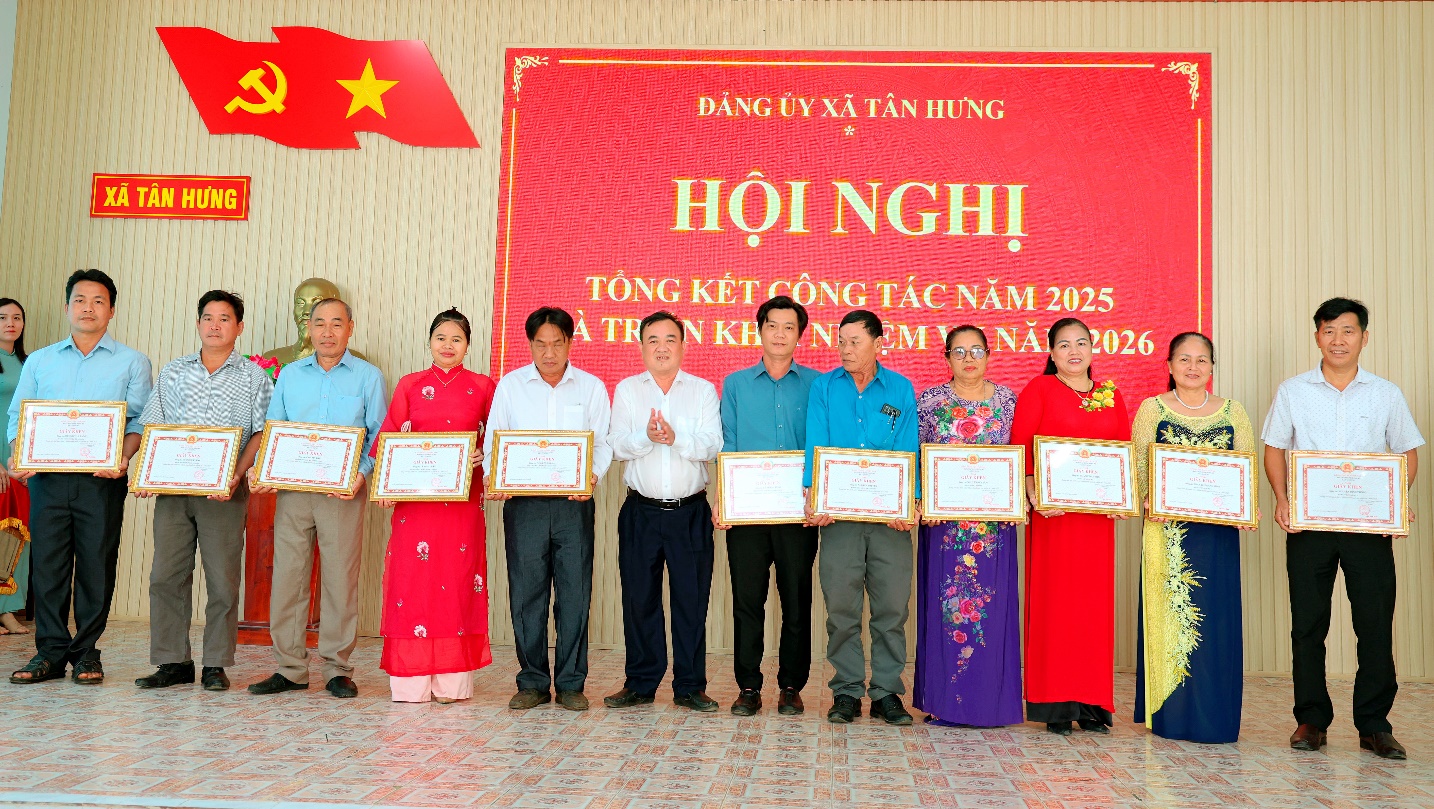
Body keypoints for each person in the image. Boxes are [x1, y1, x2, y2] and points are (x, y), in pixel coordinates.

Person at [1262, 297, 1421, 761]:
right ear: (1317, 336)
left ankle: (1374, 725)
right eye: (1328, 330)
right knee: (1308, 624)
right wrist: (1283, 500)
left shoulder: (1386, 394)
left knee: (1374, 624)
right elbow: (1274, 449)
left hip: (1368, 529)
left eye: (1348, 331)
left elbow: (1408, 452)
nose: (1338, 340)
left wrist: (1396, 502)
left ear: (1364, 338)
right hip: (1308, 525)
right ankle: (1311, 720)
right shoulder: (1293, 391)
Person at [7, 270, 153, 685]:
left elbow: (140, 421)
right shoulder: (40, 360)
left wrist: (123, 457)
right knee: (48, 566)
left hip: (101, 478)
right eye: (80, 300)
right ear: (67, 307)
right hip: (47, 478)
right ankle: (49, 653)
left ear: (112, 310)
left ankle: (87, 653)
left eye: (98, 301)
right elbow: (19, 416)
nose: (88, 308)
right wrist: (20, 454)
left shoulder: (133, 362)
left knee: (96, 565)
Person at [132, 291, 274, 692]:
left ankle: (215, 663)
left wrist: (237, 475)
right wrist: (146, 474)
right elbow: (154, 425)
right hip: (174, 492)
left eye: (224, 319)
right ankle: (172, 661)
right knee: (166, 576)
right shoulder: (174, 372)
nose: (215, 325)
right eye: (208, 318)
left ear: (239, 327)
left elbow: (262, 432)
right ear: (198, 324)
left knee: (223, 581)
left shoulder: (254, 377)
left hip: (224, 493)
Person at [247, 297, 386, 699]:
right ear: (308, 327)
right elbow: (274, 427)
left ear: (350, 328)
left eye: (336, 323)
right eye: (319, 323)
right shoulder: (291, 375)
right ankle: (289, 668)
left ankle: (337, 669)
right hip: (293, 492)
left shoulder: (368, 376)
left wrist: (360, 474)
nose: (327, 332)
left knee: (340, 579)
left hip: (342, 492)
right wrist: (263, 469)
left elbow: (379, 433)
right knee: (288, 577)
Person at [485, 307, 611, 712]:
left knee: (575, 593)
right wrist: (494, 477)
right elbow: (494, 441)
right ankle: (533, 682)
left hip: (574, 505)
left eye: (557, 343)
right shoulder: (511, 386)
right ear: (530, 345)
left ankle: (572, 683)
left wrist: (591, 477)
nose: (549, 353)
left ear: (570, 343)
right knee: (527, 594)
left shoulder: (591, 387)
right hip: (524, 506)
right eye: (540, 344)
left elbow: (603, 442)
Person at [1131, 332, 1256, 743]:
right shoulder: (1152, 409)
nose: (1193, 367)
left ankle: (1214, 717)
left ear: (1212, 366)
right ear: (1169, 365)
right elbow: (1139, 465)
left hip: (1217, 536)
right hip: (1167, 534)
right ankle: (1173, 716)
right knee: (1172, 620)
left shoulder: (1233, 412)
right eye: (1184, 359)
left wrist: (1246, 507)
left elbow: (1246, 467)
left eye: (1202, 360)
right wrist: (1148, 498)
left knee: (1214, 622)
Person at [1009, 317, 1130, 735]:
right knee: (1055, 606)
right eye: (1064, 345)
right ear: (1051, 352)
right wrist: (1032, 490)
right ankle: (1055, 704)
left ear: (1093, 349)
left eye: (1081, 343)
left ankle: (1093, 703)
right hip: (1054, 519)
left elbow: (1123, 450)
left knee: (1093, 609)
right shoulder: (1039, 389)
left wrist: (1123, 495)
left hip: (1095, 522)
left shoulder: (1110, 394)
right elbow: (1021, 446)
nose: (1073, 351)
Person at [374, 309, 495, 703]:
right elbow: (390, 436)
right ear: (429, 341)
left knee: (457, 582)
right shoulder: (410, 385)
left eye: (457, 339)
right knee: (412, 584)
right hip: (415, 506)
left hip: (462, 505)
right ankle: (410, 681)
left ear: (468, 345)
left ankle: (451, 682)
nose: (448, 345)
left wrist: (483, 455)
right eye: (441, 337)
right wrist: (386, 486)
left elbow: (499, 437)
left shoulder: (483, 386)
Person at [805, 310, 919, 726]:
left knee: (891, 610)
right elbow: (816, 442)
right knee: (841, 609)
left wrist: (910, 501)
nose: (846, 349)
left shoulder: (900, 389)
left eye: (855, 341)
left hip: (890, 521)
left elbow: (908, 448)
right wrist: (814, 494)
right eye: (841, 341)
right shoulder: (824, 387)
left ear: (878, 343)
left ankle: (887, 692)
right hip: (838, 520)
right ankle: (847, 691)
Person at [605, 311, 722, 712]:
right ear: (641, 347)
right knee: (640, 601)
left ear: (683, 346)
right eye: (652, 340)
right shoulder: (627, 390)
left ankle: (690, 686)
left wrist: (675, 438)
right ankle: (640, 683)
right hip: (640, 512)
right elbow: (616, 445)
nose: (661, 347)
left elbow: (713, 444)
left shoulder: (702, 390)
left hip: (690, 513)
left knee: (691, 601)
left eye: (670, 339)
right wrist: (646, 436)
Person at [717, 296, 821, 717]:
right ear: (759, 330)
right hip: (747, 514)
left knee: (796, 601)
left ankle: (792, 686)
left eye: (789, 327)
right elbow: (729, 444)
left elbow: (822, 446)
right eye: (772, 326)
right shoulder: (736, 384)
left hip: (799, 513)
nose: (780, 334)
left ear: (800, 334)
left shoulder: (817, 384)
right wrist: (724, 499)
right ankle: (748, 687)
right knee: (747, 601)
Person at [914, 325, 1022, 727]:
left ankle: (990, 705)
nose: (968, 359)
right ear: (946, 358)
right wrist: (923, 500)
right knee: (947, 612)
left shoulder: (1009, 401)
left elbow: (1020, 457)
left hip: (992, 531)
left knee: (991, 615)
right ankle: (945, 703)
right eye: (958, 352)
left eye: (976, 350)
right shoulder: (930, 402)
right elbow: (917, 459)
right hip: (945, 528)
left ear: (989, 355)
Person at [0, 297, 30, 635]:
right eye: (2, 317)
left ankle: (8, 608)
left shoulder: (29, 362)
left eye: (17, 317)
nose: (10, 323)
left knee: (20, 532)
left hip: (21, 457)